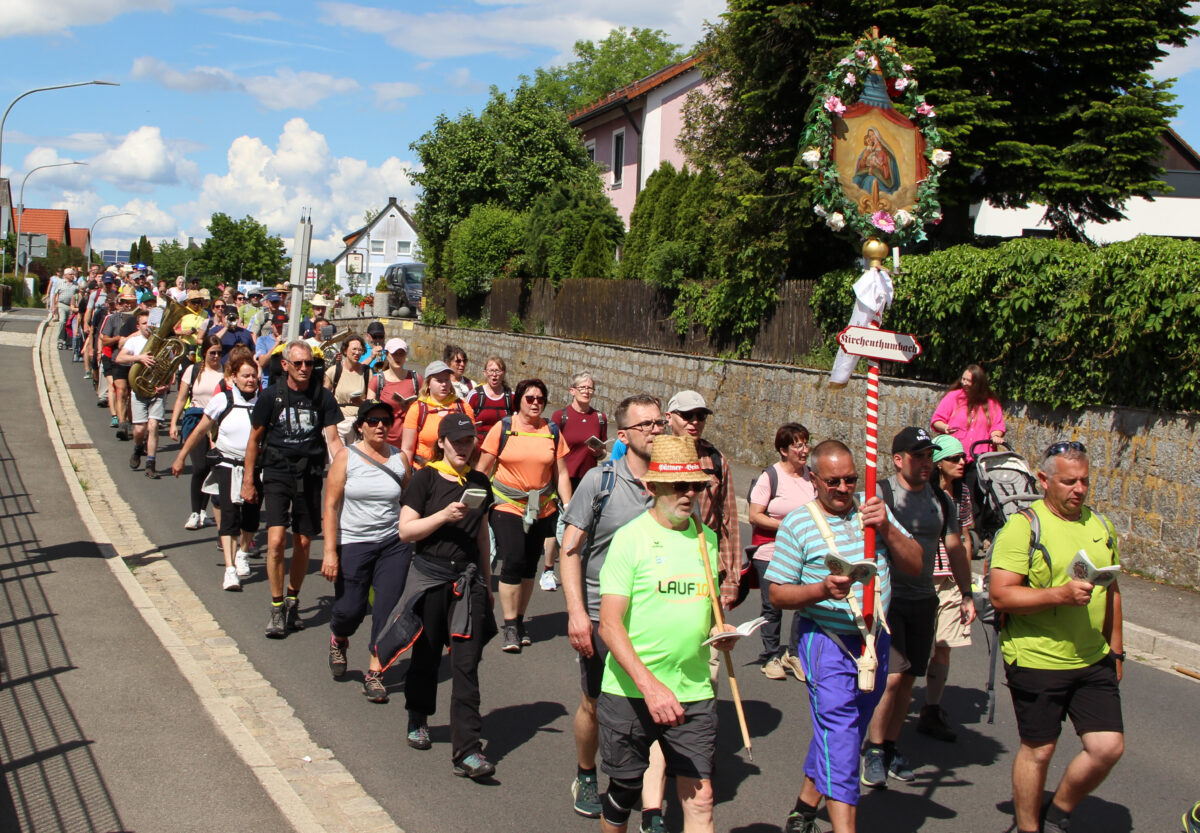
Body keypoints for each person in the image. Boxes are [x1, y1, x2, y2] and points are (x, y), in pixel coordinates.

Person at [766, 440, 922, 833]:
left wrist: (885, 525)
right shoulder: (798, 524)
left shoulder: (872, 511)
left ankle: (804, 807)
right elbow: (777, 593)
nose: (843, 488)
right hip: (827, 641)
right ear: (814, 479)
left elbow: (916, 564)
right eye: (833, 480)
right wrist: (820, 589)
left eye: (850, 479)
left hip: (875, 640)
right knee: (841, 736)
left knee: (844, 733)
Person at [595, 434, 738, 833]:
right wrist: (652, 687)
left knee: (701, 798)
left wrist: (720, 629)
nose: (690, 494)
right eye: (679, 485)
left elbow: (707, 607)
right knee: (623, 793)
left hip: (693, 690)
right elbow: (609, 624)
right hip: (631, 691)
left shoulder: (705, 539)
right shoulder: (630, 539)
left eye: (696, 485)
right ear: (651, 487)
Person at [989, 441, 1124, 833]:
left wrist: (1116, 650)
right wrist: (1059, 596)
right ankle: (1029, 827)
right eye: (1069, 482)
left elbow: (1113, 590)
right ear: (1044, 480)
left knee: (1107, 747)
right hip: (1036, 659)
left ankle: (1059, 809)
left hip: (1092, 657)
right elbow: (1001, 594)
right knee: (1040, 750)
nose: (1079, 489)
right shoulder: (1022, 527)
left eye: (1084, 481)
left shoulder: (1101, 526)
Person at [560, 394, 666, 825]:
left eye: (660, 423)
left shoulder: (675, 482)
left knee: (656, 705)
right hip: (604, 615)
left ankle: (652, 804)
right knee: (595, 704)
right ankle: (587, 772)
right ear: (623, 436)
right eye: (646, 426)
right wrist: (576, 613)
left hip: (656, 616)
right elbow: (570, 551)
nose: (656, 431)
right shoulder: (600, 482)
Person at [863, 427, 973, 788]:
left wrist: (967, 593)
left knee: (910, 677)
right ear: (898, 460)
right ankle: (874, 750)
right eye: (918, 456)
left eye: (930, 456)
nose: (927, 463)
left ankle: (891, 745)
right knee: (892, 679)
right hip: (888, 600)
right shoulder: (880, 494)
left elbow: (955, 548)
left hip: (925, 599)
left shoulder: (941, 501)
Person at [395, 413, 498, 779]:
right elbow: (406, 531)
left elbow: (483, 536)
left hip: (468, 584)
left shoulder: (481, 483)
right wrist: (442, 516)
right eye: (456, 442)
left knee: (466, 666)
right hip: (430, 579)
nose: (463, 448)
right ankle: (417, 716)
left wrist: (486, 586)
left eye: (469, 441)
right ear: (441, 443)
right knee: (426, 655)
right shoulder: (425, 479)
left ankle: (467, 751)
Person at [241, 340, 345, 639]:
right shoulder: (271, 397)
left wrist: (347, 470)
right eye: (298, 363)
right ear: (285, 364)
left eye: (309, 364)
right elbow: (254, 441)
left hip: (310, 474)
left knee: (302, 542)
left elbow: (334, 440)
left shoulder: (322, 397)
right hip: (276, 472)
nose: (304, 369)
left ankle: (292, 599)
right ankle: (276, 607)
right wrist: (249, 480)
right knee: (275, 542)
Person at [321, 401, 412, 703]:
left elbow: (410, 503)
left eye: (386, 420)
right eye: (373, 420)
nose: (380, 426)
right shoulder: (346, 458)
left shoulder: (401, 459)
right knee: (351, 609)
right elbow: (331, 506)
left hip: (392, 544)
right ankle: (339, 636)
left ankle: (375, 673)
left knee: (386, 609)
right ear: (360, 426)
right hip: (354, 542)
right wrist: (330, 552)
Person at [475, 378, 571, 653]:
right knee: (513, 558)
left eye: (540, 399)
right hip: (507, 504)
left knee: (530, 565)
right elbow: (483, 468)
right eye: (530, 398)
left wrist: (570, 507)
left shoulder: (552, 431)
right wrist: (474, 502)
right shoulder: (504, 428)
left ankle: (519, 618)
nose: (535, 403)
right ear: (519, 400)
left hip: (542, 507)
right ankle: (509, 625)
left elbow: (561, 473)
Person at [171, 352, 262, 590]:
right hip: (227, 464)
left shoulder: (263, 401)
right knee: (229, 516)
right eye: (245, 376)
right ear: (233, 377)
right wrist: (181, 457)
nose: (250, 380)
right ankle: (230, 569)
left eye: (253, 375)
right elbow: (201, 431)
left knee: (251, 517)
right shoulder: (223, 400)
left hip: (254, 466)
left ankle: (243, 552)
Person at [915, 434, 976, 742]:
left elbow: (964, 537)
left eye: (963, 457)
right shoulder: (923, 494)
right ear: (939, 464)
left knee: (943, 645)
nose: (962, 462)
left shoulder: (963, 493)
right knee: (915, 648)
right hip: (923, 578)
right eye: (955, 459)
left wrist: (967, 586)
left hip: (951, 579)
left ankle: (932, 708)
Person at [746, 423, 817, 680]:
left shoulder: (812, 477)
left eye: (806, 443)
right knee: (772, 605)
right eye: (798, 445)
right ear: (783, 450)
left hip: (803, 551)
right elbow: (754, 515)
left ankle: (795, 653)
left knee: (805, 602)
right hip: (770, 549)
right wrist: (786, 526)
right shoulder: (770, 477)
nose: (805, 449)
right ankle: (771, 655)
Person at [666, 391, 740, 608]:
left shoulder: (715, 459)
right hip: (663, 558)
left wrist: (730, 579)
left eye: (701, 416)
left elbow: (729, 521)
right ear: (669, 417)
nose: (695, 422)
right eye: (687, 416)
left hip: (704, 560)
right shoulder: (654, 456)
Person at [545, 372, 608, 590]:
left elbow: (602, 455)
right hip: (563, 477)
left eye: (590, 388)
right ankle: (548, 569)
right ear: (572, 390)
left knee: (584, 524)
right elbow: (551, 449)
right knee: (557, 524)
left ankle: (578, 567)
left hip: (588, 479)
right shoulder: (560, 416)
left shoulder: (599, 418)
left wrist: (599, 452)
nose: (587, 391)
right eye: (582, 388)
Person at [170, 335, 224, 530]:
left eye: (219, 353)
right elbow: (181, 397)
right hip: (196, 421)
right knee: (200, 467)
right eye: (212, 353)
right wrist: (173, 422)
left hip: (217, 423)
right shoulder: (193, 371)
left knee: (212, 468)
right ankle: (195, 512)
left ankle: (203, 512)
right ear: (204, 353)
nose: (216, 356)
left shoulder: (225, 372)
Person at [116, 309, 169, 479]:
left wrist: (166, 384)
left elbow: (171, 367)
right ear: (138, 325)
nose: (148, 327)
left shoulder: (164, 343)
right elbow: (119, 358)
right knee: (140, 429)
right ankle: (138, 448)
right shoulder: (134, 341)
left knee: (153, 426)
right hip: (139, 390)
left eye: (150, 324)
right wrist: (138, 358)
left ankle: (151, 464)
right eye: (144, 324)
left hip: (157, 391)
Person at [400, 361, 475, 470]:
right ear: (428, 384)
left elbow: (473, 441)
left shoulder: (462, 407)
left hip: (455, 472)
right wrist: (407, 476)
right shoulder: (417, 409)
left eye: (447, 380)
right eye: (439, 381)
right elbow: (407, 449)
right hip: (423, 471)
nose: (444, 384)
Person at [930, 363, 1006, 466]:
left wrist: (996, 436)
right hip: (955, 457)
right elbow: (937, 420)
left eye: (968, 381)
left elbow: (997, 425)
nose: (964, 383)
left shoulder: (991, 403)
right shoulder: (953, 397)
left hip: (980, 460)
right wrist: (944, 427)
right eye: (963, 379)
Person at [366, 338, 421, 448]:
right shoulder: (377, 381)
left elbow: (424, 407)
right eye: (394, 354)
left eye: (401, 354)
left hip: (410, 440)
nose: (398, 357)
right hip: (384, 440)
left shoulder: (416, 379)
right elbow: (368, 411)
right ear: (386, 355)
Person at [100, 286, 137, 438]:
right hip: (118, 359)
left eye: (131, 302)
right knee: (121, 391)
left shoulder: (140, 319)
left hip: (135, 360)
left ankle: (129, 420)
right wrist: (119, 339)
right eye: (124, 301)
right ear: (119, 302)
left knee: (132, 393)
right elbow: (104, 340)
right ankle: (122, 423)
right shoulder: (112, 319)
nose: (127, 304)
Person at [324, 334, 373, 446]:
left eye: (360, 350)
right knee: (338, 458)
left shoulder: (366, 372)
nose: (357, 353)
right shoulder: (334, 371)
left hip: (357, 422)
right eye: (354, 349)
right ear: (345, 351)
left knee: (355, 460)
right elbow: (324, 397)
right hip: (337, 422)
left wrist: (360, 402)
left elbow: (371, 402)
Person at [466, 356, 514, 443]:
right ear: (485, 373)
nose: (494, 375)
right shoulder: (475, 395)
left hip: (502, 444)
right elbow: (464, 420)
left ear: (504, 373)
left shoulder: (511, 397)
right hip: (479, 446)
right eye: (491, 371)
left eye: (497, 371)